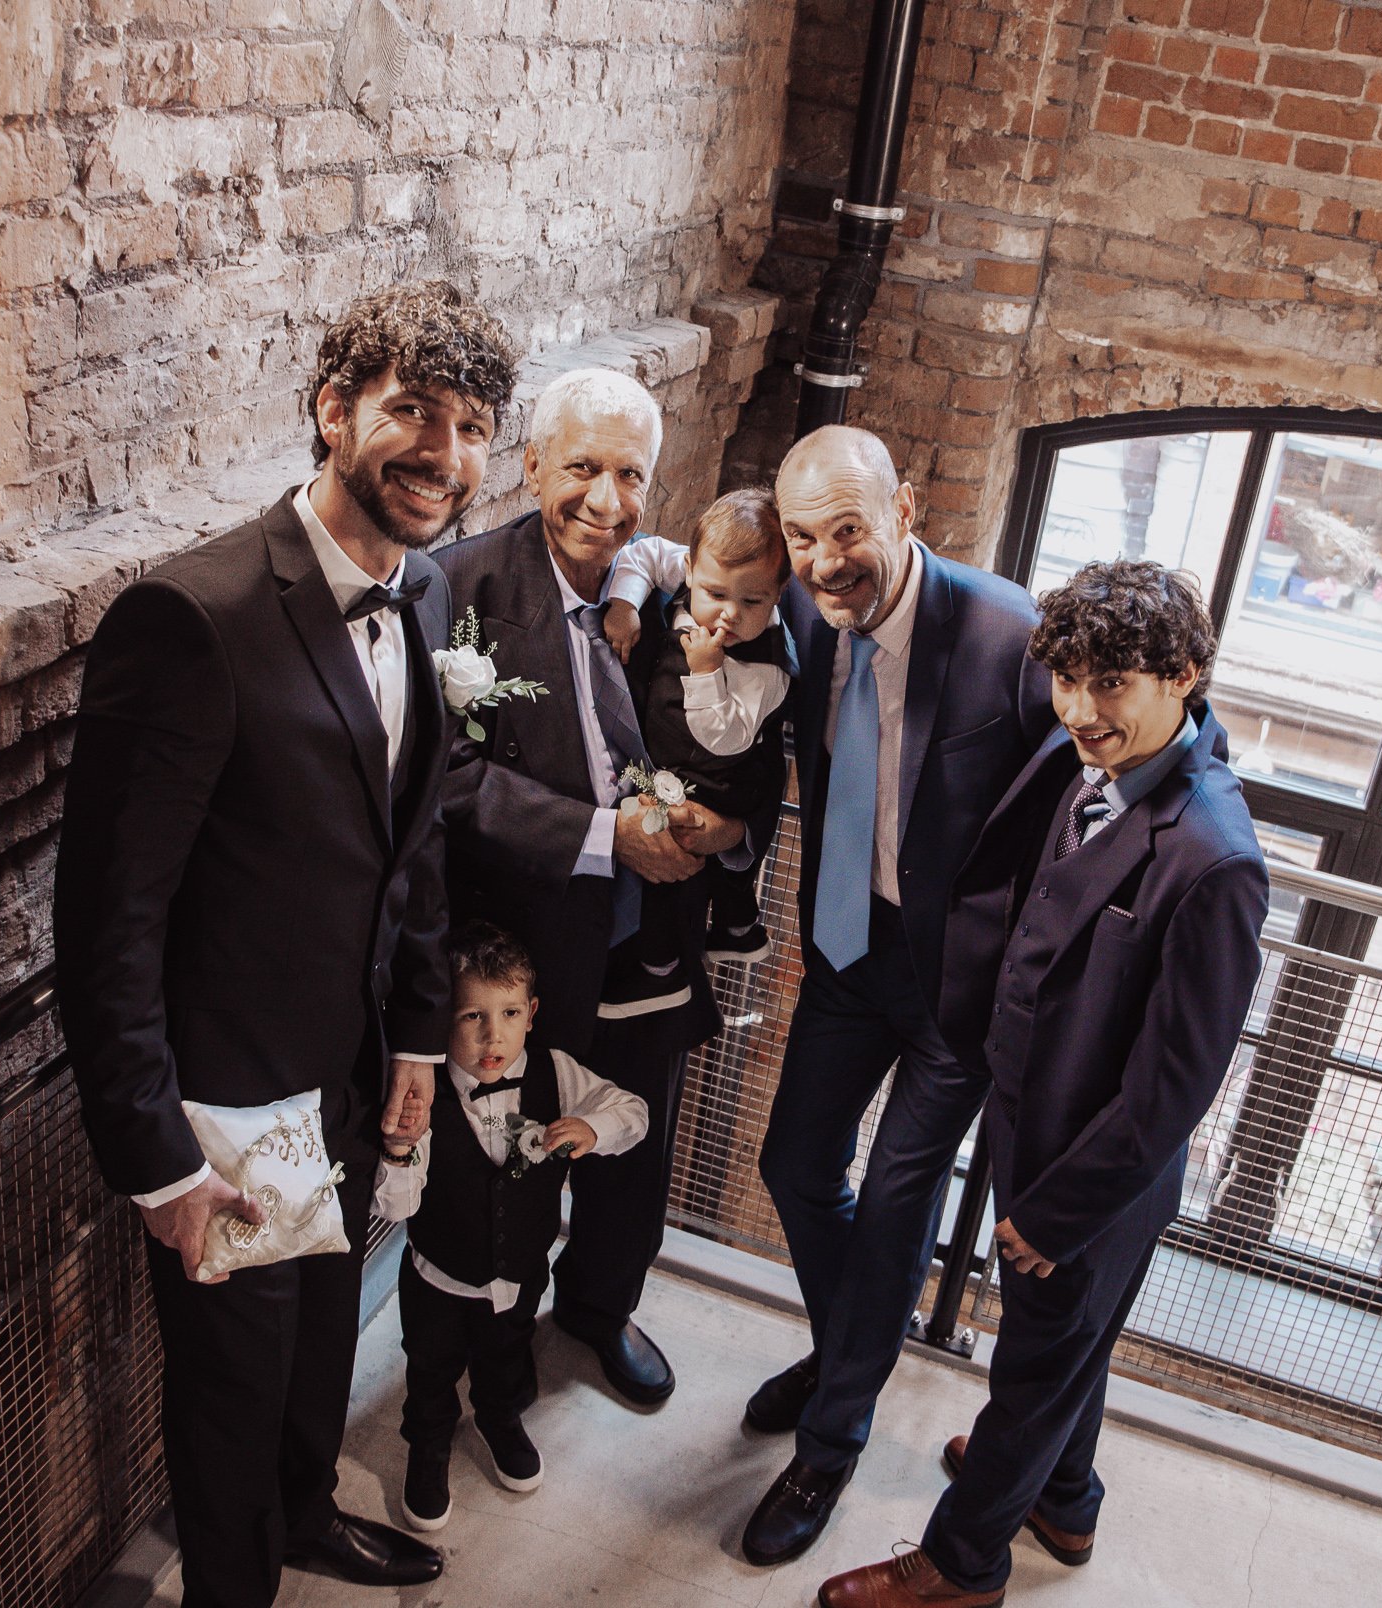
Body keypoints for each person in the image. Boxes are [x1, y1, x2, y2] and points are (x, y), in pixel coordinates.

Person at [53, 280, 517, 1607]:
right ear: (332, 411)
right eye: (412, 412)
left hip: (357, 1075)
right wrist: (156, 1165)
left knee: (320, 1347)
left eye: (472, 424)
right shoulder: (193, 620)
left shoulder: (426, 596)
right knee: (229, 1393)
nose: (443, 453)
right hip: (230, 1111)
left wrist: (418, 1034)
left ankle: (307, 1515)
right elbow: (108, 928)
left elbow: (411, 842)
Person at [817, 559, 1270, 1608]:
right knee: (1072, 1349)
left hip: (1089, 1181)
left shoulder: (1213, 861)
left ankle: (960, 1563)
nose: (1078, 709)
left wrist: (1057, 1215)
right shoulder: (1093, 767)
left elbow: (1176, 1085)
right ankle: (1062, 1498)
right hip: (1028, 1128)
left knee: (1030, 1372)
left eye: (1109, 684)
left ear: (1185, 676)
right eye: (1067, 681)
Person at [739, 425, 1053, 1568]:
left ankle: (831, 1441)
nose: (823, 561)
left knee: (890, 1210)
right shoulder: (807, 625)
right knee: (790, 1166)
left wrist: (1019, 976)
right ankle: (846, 1347)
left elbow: (1079, 815)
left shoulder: (1009, 637)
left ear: (906, 510)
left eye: (846, 532)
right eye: (801, 536)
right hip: (844, 951)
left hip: (954, 999)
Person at [437, 368, 772, 1407]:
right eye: (580, 467)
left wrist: (733, 826)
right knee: (511, 1159)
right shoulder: (462, 592)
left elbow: (772, 715)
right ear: (530, 465)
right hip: (528, 947)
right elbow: (445, 779)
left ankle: (596, 1312)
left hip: (654, 941)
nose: (605, 498)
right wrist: (598, 836)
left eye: (629, 474)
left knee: (632, 1162)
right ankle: (487, 1339)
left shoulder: (681, 589)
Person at [373, 922, 649, 1531]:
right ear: (446, 1017)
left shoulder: (554, 1072)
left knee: (506, 1358)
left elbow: (634, 1112)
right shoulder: (426, 1090)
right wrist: (397, 1150)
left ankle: (499, 1420)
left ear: (532, 1013)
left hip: (521, 1274)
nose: (493, 1035)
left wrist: (592, 1129)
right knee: (430, 1369)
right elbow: (395, 1209)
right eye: (472, 1016)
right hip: (439, 1281)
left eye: (509, 1013)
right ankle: (429, 1445)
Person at [599, 485, 797, 1000]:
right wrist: (624, 603)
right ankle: (738, 929)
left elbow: (727, 737)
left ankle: (661, 972)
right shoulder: (691, 568)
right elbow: (640, 553)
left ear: (779, 593)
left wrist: (708, 672)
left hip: (719, 779)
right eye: (714, 594)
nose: (728, 614)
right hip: (671, 761)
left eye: (752, 600)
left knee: (674, 865)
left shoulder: (767, 666)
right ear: (690, 570)